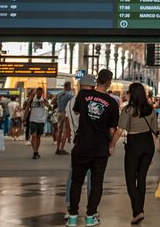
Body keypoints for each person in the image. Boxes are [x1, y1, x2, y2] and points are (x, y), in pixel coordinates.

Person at [66, 69, 119, 227]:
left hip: (81, 146)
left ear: (97, 81)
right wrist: (112, 145)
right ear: (109, 82)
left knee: (76, 182)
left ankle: (73, 217)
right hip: (100, 149)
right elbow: (112, 130)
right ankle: (90, 217)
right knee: (97, 183)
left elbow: (76, 111)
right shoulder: (111, 103)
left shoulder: (83, 95)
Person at [109, 82, 158, 224]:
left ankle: (138, 212)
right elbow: (154, 132)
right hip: (148, 144)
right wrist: (151, 153)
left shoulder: (128, 110)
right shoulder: (150, 110)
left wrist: (111, 144)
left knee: (130, 179)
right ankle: (139, 211)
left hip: (134, 144)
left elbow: (119, 130)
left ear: (132, 94)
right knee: (141, 179)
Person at [64, 75, 95, 220]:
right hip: (88, 143)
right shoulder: (90, 103)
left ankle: (70, 207)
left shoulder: (70, 102)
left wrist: (67, 140)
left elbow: (67, 124)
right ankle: (91, 209)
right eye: (92, 87)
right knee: (91, 177)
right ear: (84, 87)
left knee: (73, 177)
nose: (94, 90)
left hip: (75, 144)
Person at [28, 87, 49, 159]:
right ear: (36, 92)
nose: (39, 94)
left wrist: (45, 103)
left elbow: (50, 108)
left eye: (41, 93)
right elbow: (26, 107)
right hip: (33, 119)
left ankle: (36, 150)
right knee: (34, 136)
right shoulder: (32, 100)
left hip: (41, 120)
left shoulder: (44, 99)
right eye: (38, 93)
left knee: (38, 137)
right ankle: (34, 151)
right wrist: (24, 118)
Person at [56, 81, 74, 155]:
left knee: (59, 131)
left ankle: (57, 148)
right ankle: (61, 149)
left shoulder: (59, 94)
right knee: (65, 131)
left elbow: (53, 102)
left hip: (59, 113)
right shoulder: (70, 95)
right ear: (68, 86)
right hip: (65, 113)